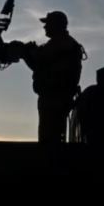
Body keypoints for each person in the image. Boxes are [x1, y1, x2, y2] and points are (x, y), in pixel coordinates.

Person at [15, 11, 86, 143]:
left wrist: (26, 53)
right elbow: (40, 67)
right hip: (53, 98)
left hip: (55, 99)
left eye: (48, 24)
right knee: (49, 136)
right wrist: (27, 54)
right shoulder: (60, 43)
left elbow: (40, 63)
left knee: (49, 138)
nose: (45, 27)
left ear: (56, 25)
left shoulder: (61, 44)